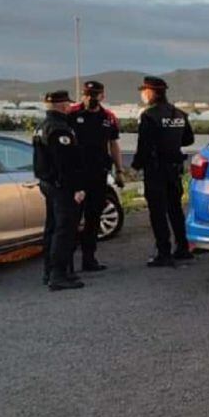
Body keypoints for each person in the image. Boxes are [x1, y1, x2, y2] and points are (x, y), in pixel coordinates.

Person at [131, 76, 194, 267]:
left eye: (144, 91)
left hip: (156, 169)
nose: (142, 95)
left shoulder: (149, 116)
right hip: (174, 169)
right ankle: (183, 247)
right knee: (175, 209)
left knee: (158, 212)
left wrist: (134, 167)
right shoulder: (180, 114)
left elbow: (144, 146)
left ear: (151, 92)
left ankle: (163, 252)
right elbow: (188, 140)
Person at [33, 90, 86, 291]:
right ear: (63, 105)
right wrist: (77, 188)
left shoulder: (41, 127)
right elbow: (65, 163)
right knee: (64, 230)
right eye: (68, 104)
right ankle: (58, 274)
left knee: (52, 228)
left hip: (48, 184)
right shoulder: (60, 129)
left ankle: (50, 271)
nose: (70, 107)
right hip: (62, 186)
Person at [69, 80, 124, 272]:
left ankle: (89, 259)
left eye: (94, 95)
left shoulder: (108, 117)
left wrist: (119, 171)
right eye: (87, 94)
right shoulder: (72, 113)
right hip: (77, 176)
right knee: (73, 219)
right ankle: (67, 264)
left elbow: (114, 144)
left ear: (102, 96)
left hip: (99, 175)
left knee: (93, 218)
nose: (90, 98)